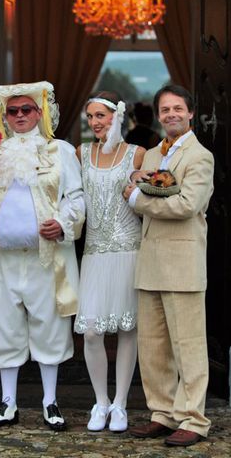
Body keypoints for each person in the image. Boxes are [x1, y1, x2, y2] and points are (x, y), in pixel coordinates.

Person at [0, 81, 85, 431]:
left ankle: (50, 401)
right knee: (4, 327)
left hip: (46, 257)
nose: (20, 116)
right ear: (5, 116)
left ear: (39, 113)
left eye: (26, 109)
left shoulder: (61, 151)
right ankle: (7, 402)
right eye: (13, 111)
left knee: (50, 327)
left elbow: (75, 198)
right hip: (1, 258)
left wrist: (62, 223)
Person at [122, 84, 214, 447]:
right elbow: (141, 188)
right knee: (153, 346)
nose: (171, 114)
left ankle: (194, 418)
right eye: (165, 109)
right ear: (158, 115)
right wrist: (133, 184)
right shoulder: (149, 156)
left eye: (178, 108)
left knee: (188, 346)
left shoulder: (199, 156)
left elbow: (187, 205)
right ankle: (162, 414)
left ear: (190, 113)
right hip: (150, 261)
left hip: (182, 263)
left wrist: (136, 199)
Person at [74, 91, 146, 432]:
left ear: (117, 116)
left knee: (128, 329)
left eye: (100, 115)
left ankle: (120, 404)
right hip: (94, 253)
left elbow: (149, 195)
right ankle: (100, 401)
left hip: (129, 250)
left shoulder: (138, 154)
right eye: (90, 117)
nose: (94, 122)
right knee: (91, 331)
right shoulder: (81, 153)